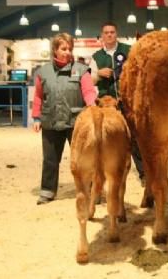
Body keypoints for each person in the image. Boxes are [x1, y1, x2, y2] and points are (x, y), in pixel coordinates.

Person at [32, 33, 97, 205]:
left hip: (76, 122)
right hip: (50, 121)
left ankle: (89, 190)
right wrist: (36, 118)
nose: (67, 52)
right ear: (55, 49)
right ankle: (47, 191)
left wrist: (92, 105)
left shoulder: (81, 70)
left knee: (83, 159)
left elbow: (88, 91)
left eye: (69, 49)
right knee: (50, 159)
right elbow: (39, 96)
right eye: (63, 48)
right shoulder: (43, 72)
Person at [89, 22, 144, 181]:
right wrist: (98, 73)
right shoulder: (96, 57)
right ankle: (107, 174)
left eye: (112, 32)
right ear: (102, 35)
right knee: (107, 139)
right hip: (107, 105)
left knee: (135, 138)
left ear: (116, 33)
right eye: (106, 32)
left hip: (128, 102)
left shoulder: (129, 50)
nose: (109, 35)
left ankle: (144, 174)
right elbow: (89, 80)